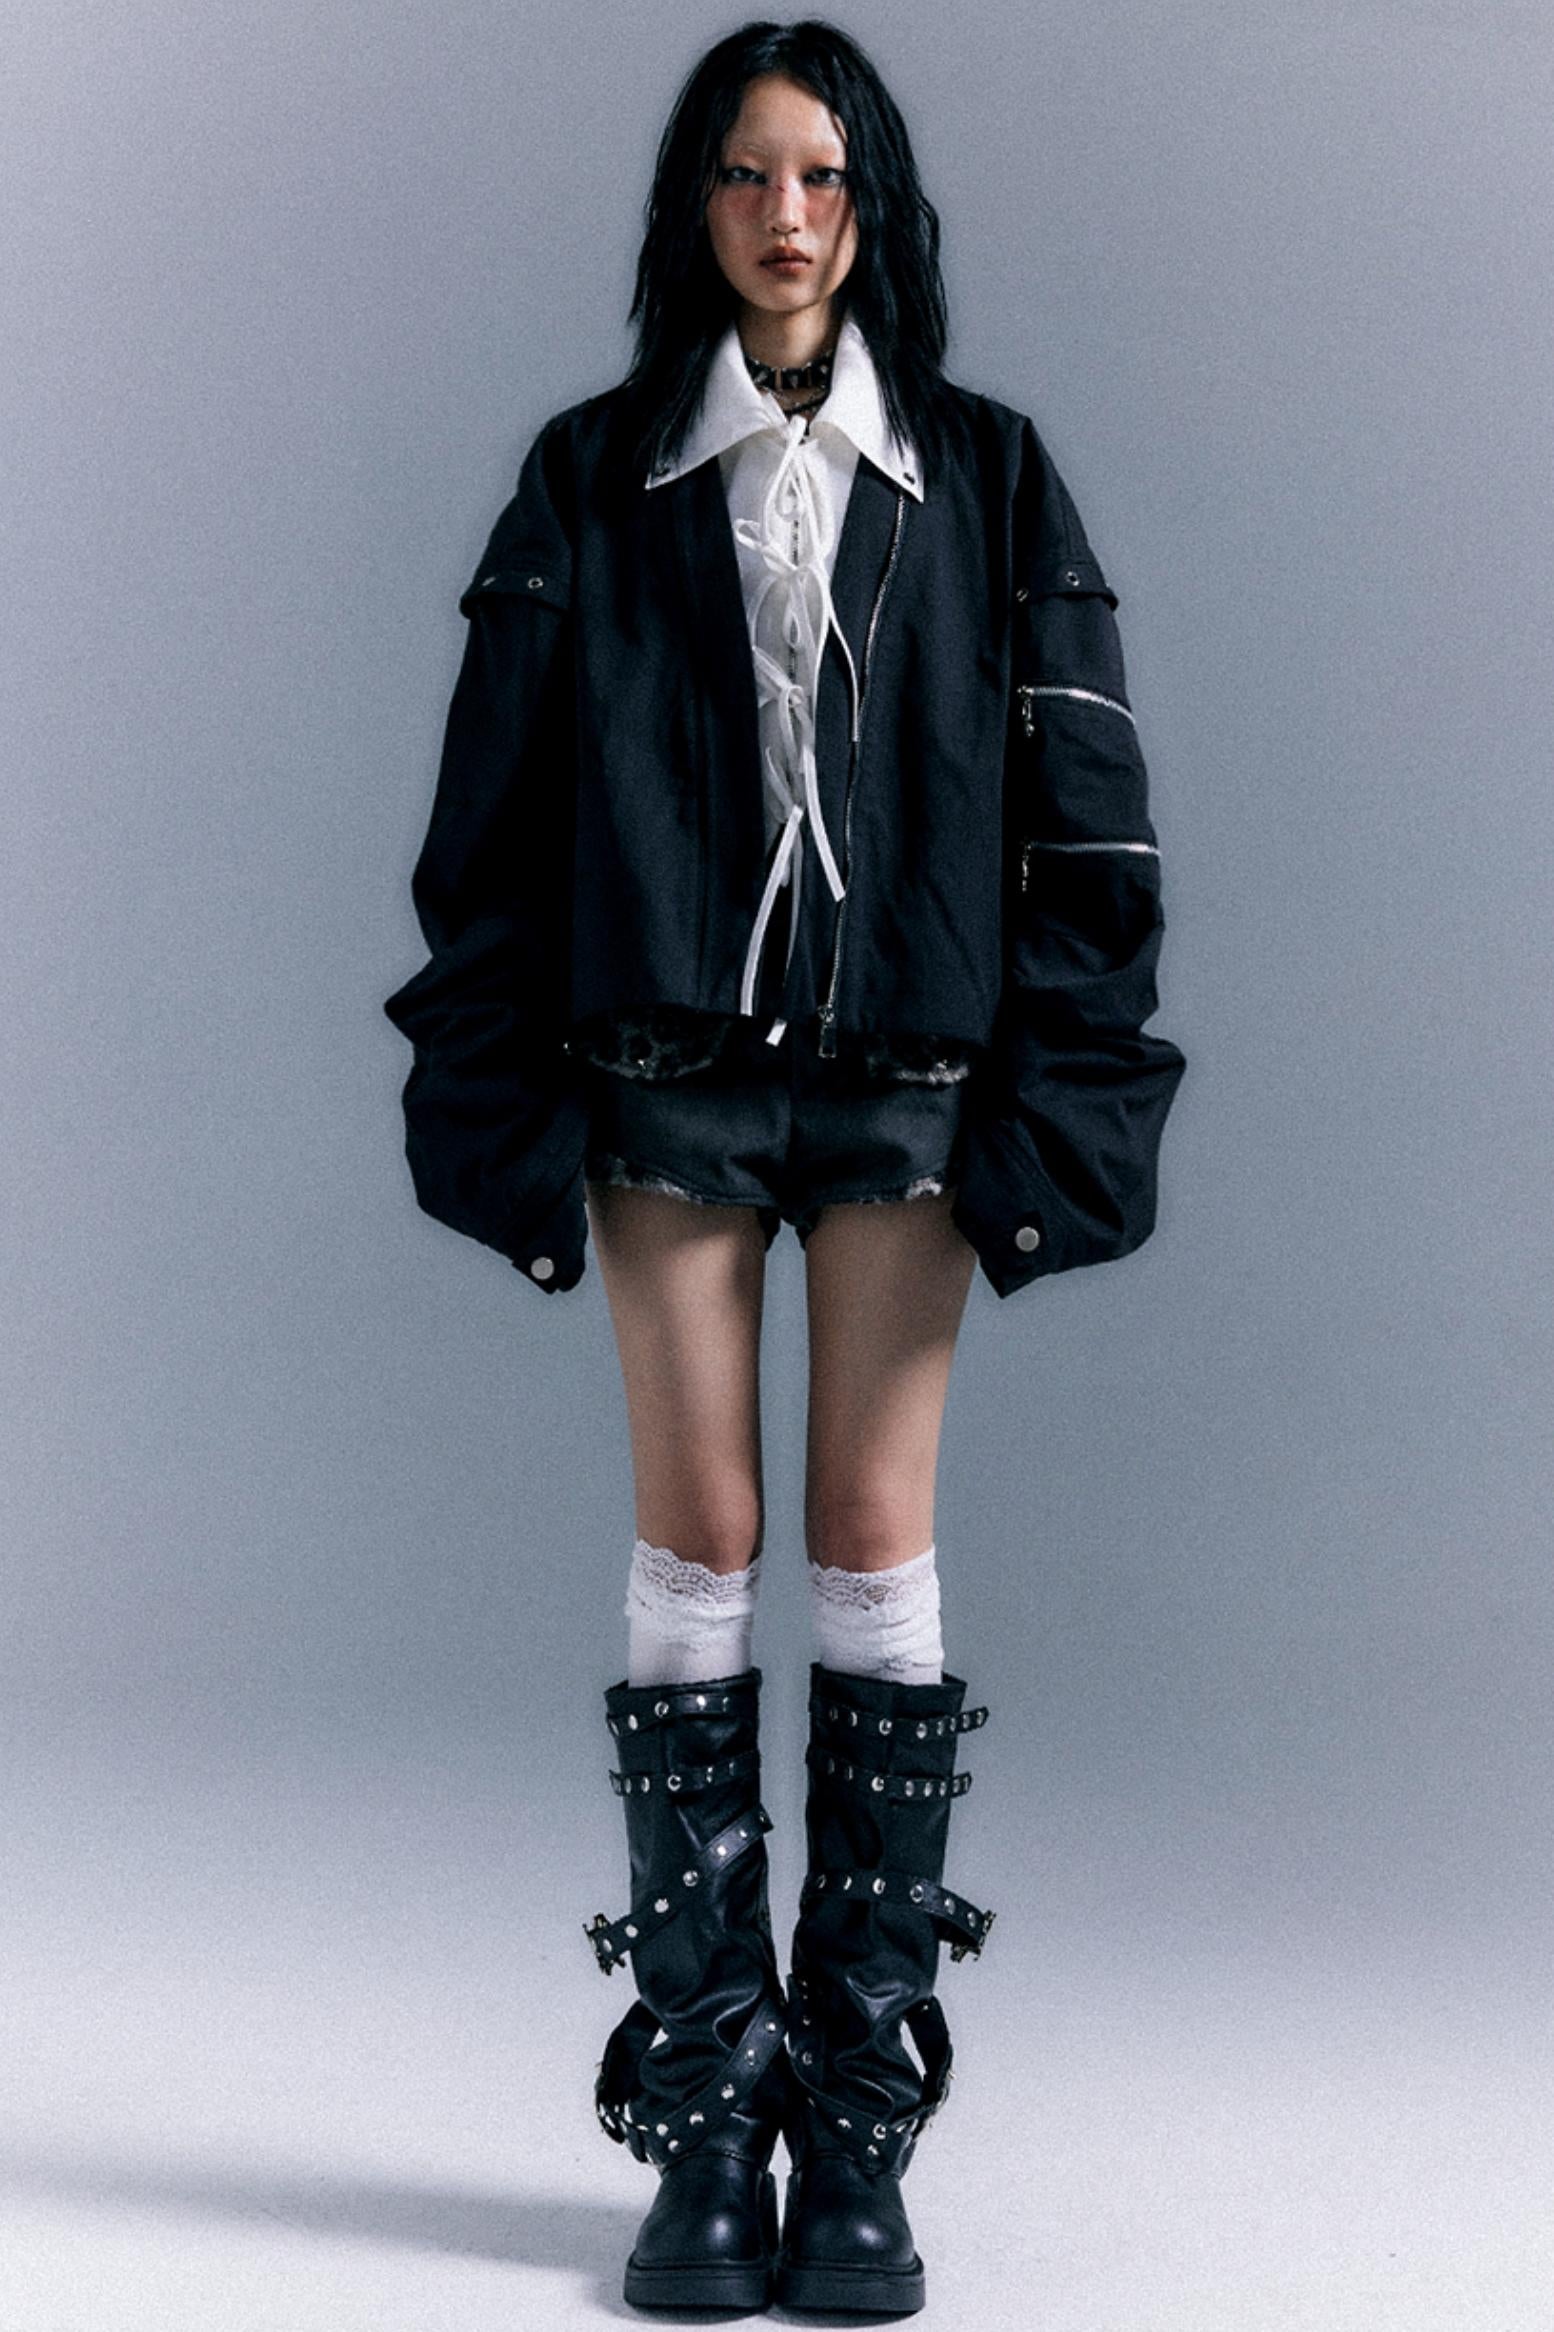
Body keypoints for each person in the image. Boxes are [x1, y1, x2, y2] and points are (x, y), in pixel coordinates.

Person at [382, 17, 1185, 2315]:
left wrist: (1051, 1091)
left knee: (867, 1532)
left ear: (873, 204)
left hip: (908, 1072)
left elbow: (1090, 827)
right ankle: (702, 2116)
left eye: (821, 173)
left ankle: (857, 2127)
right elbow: (492, 819)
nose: (785, 214)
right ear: (697, 209)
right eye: (743, 173)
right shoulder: (594, 473)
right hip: (665, 1066)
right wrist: (510, 1089)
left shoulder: (992, 475)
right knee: (701, 1535)